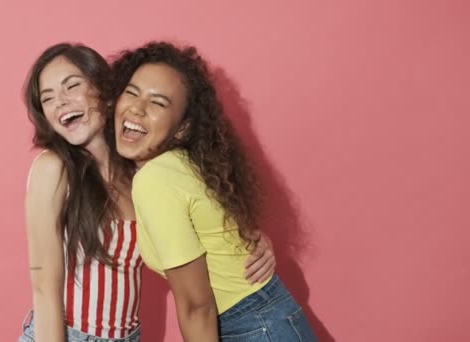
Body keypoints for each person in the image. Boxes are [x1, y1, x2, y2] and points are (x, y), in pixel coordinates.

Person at [18, 42, 276, 342]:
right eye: (47, 99)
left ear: (105, 87)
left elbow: (197, 224)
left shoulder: (140, 171)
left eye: (71, 86)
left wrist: (253, 241)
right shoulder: (53, 168)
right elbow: (44, 291)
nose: (60, 103)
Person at [111, 41, 317, 341]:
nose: (137, 108)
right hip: (269, 318)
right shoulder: (185, 165)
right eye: (131, 92)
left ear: (182, 128)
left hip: (251, 327)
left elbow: (197, 306)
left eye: (158, 103)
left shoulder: (155, 179)